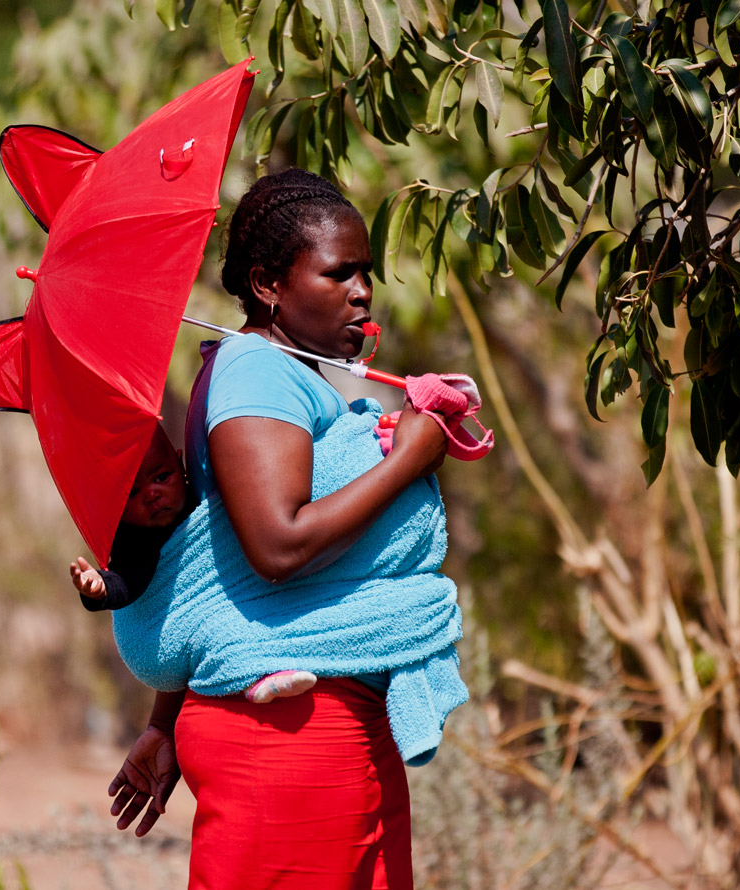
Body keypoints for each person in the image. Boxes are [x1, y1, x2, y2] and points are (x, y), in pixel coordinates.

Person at [102, 169, 465, 890]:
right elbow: (275, 546)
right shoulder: (257, 377)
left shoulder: (275, 373)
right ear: (268, 285)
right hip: (289, 737)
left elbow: (219, 571)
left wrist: (166, 722)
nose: (362, 292)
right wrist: (412, 457)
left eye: (366, 273)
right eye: (339, 273)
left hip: (313, 722)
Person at [68, 423, 318, 704]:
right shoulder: (133, 538)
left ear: (181, 464)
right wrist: (100, 588)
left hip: (236, 595)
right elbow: (127, 579)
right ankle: (255, 678)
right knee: (219, 634)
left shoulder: (201, 495)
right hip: (184, 623)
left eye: (162, 477)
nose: (151, 494)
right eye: (133, 493)